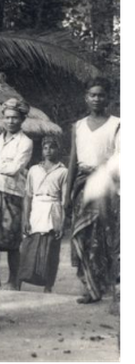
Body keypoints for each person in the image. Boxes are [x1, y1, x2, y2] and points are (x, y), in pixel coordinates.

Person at [65, 77, 121, 307]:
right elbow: (72, 162)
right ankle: (88, 286)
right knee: (84, 236)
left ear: (108, 98)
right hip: (81, 186)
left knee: (103, 237)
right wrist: (66, 195)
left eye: (101, 95)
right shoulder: (77, 126)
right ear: (85, 97)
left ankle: (105, 287)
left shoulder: (117, 124)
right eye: (92, 95)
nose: (97, 99)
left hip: (105, 185)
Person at [0, 98, 33, 290]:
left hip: (12, 193)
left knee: (12, 239)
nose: (11, 121)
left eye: (15, 118)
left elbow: (15, 168)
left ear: (22, 119)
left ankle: (14, 280)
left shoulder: (25, 142)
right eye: (7, 118)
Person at [19, 136, 67, 293]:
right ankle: (19, 282)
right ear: (42, 150)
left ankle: (48, 285)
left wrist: (62, 222)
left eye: (52, 147)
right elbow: (28, 195)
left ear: (57, 149)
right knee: (29, 246)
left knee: (51, 247)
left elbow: (64, 200)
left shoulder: (63, 171)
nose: (48, 151)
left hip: (53, 210)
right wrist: (25, 218)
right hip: (36, 209)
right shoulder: (34, 170)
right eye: (45, 147)